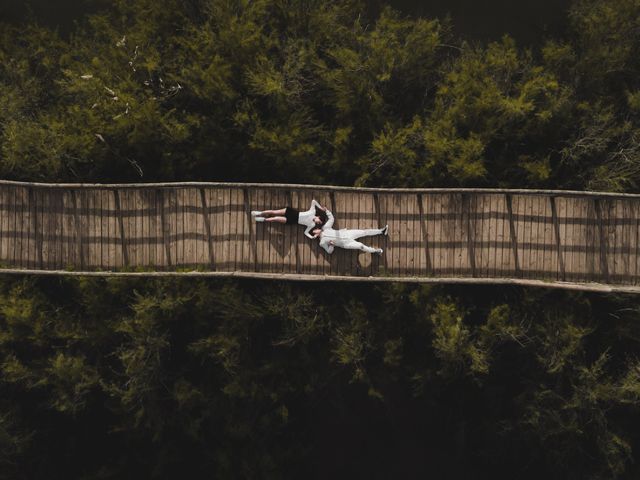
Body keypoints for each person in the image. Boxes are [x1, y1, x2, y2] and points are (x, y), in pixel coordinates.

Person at [311, 210, 388, 254]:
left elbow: (331, 219)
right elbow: (329, 251)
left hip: (347, 233)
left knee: (363, 232)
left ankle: (381, 231)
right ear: (315, 236)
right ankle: (375, 251)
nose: (316, 231)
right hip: (345, 244)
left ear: (317, 229)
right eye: (314, 233)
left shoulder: (325, 228)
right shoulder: (322, 242)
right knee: (360, 246)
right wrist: (331, 245)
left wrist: (327, 211)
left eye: (315, 230)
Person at [251, 199, 329, 239]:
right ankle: (259, 213)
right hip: (292, 212)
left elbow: (306, 233)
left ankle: (262, 219)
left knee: (275, 219)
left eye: (319, 224)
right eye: (319, 221)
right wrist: (321, 208)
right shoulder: (313, 211)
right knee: (273, 212)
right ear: (318, 217)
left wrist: (312, 236)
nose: (318, 223)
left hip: (292, 221)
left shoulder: (311, 225)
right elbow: (313, 201)